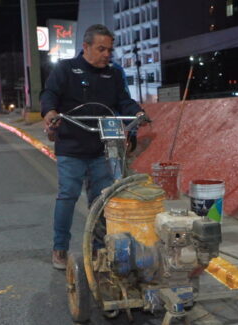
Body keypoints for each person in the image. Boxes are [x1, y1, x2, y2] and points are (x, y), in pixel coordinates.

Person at [41, 24, 145, 270]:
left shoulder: (114, 74)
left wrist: (137, 113)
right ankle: (60, 248)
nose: (107, 54)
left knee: (101, 199)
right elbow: (49, 95)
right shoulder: (66, 69)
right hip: (72, 146)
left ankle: (100, 248)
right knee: (67, 196)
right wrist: (51, 112)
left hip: (102, 147)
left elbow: (123, 100)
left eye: (110, 50)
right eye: (101, 49)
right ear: (85, 47)